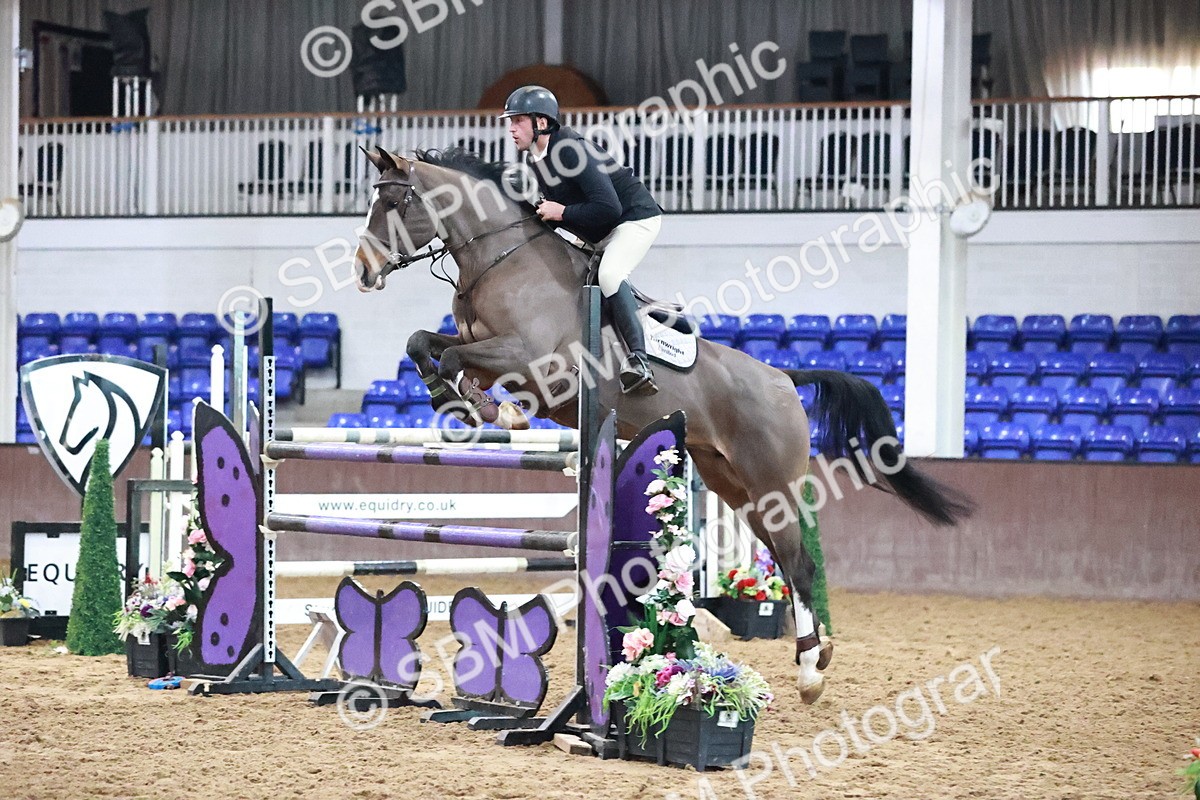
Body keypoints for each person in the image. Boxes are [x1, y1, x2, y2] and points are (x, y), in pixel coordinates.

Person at [500, 85, 663, 396]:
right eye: (511, 121)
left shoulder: (571, 151)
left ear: (541, 123)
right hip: (599, 230)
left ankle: (640, 361)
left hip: (634, 220)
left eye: (518, 120)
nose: (511, 128)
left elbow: (608, 207)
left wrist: (560, 212)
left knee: (611, 275)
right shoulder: (539, 157)